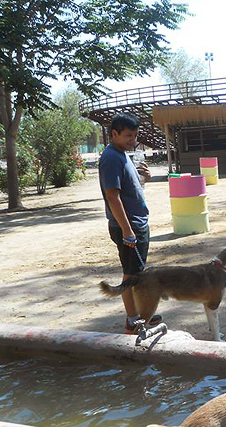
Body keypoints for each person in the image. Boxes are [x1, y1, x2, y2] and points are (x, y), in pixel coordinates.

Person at [99, 113, 159, 334]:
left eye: (134, 136)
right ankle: (133, 320)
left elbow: (131, 190)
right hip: (129, 226)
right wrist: (127, 230)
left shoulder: (122, 154)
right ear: (114, 134)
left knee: (136, 273)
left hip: (136, 224)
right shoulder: (111, 158)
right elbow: (112, 197)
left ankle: (140, 314)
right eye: (127, 136)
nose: (132, 140)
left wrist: (145, 178)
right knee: (131, 274)